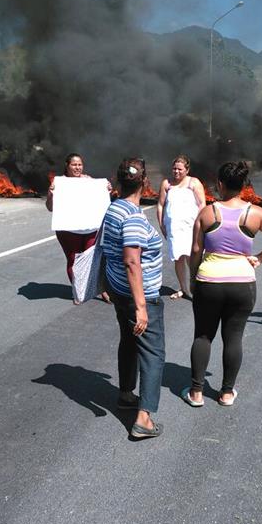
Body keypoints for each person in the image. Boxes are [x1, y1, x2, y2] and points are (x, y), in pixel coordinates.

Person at [183, 161, 262, 408]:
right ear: (244, 186)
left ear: (220, 184)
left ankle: (196, 392)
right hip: (242, 283)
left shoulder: (208, 213)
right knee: (233, 338)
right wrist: (260, 258)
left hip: (209, 281)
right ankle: (227, 393)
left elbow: (196, 250)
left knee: (203, 335)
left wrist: (193, 278)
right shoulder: (255, 213)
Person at [102, 158, 165, 439]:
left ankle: (126, 393)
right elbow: (131, 261)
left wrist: (106, 283)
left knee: (128, 340)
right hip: (140, 296)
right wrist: (142, 308)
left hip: (118, 291)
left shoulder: (113, 208)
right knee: (153, 354)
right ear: (145, 183)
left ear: (118, 182)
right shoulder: (134, 218)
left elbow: (104, 248)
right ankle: (143, 419)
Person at [46, 153, 110, 304]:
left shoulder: (89, 181)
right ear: (67, 166)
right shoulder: (59, 183)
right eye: (74, 164)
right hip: (68, 230)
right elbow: (50, 208)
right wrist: (50, 195)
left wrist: (105, 189)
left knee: (94, 260)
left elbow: (100, 199)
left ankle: (102, 290)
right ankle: (78, 291)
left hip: (90, 230)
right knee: (74, 260)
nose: (77, 167)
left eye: (80, 164)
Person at [157, 155, 206, 300]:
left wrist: (200, 225)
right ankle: (184, 289)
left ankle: (196, 288)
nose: (176, 172)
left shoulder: (194, 183)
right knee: (178, 258)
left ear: (187, 169)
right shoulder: (167, 183)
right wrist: (162, 225)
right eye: (174, 169)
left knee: (193, 258)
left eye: (180, 169)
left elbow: (202, 204)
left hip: (192, 227)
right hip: (173, 227)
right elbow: (160, 205)